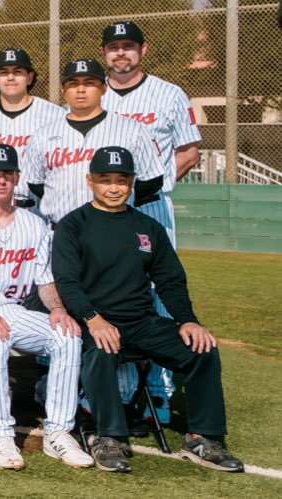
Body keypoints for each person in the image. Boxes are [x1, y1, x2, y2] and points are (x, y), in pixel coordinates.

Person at [52, 145, 242, 474]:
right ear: (90, 181)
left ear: (132, 182)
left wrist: (188, 321)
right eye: (105, 179)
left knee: (201, 350)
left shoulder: (147, 227)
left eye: (122, 180)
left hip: (141, 322)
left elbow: (170, 281)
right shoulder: (74, 225)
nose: (113, 187)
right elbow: (67, 282)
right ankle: (109, 437)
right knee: (100, 350)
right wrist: (93, 319)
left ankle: (202, 437)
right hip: (95, 323)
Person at [0, 144, 92, 470]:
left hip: (16, 308)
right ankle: (0, 434)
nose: (1, 181)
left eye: (7, 174)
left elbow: (45, 280)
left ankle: (59, 432)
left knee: (67, 336)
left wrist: (56, 309)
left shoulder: (34, 224)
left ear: (16, 177)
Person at [100, 20, 204, 417]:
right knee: (108, 292)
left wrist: (148, 189)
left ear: (142, 50)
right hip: (105, 211)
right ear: (105, 54)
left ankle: (157, 393)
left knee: (159, 295)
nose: (120, 53)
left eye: (128, 46)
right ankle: (112, 388)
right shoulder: (94, 94)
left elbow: (189, 151)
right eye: (113, 47)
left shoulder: (169, 93)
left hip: (151, 208)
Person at [25, 59, 163, 225]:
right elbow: (36, 184)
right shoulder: (43, 135)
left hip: (116, 226)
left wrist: (118, 201)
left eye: (89, 83)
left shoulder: (132, 130)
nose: (81, 89)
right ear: (63, 89)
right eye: (73, 83)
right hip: (62, 230)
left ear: (104, 88)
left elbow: (151, 181)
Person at [0, 48, 64, 210]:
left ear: (30, 77)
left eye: (17, 72)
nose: (11, 77)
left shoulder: (55, 115)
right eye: (4, 72)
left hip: (41, 206)